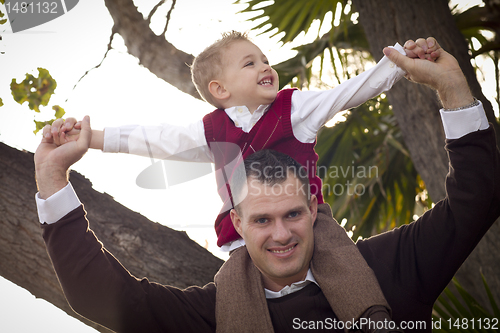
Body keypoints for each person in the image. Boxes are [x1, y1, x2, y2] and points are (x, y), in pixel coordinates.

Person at [35, 37, 499, 332]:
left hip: (336, 249)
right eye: (261, 219)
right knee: (241, 273)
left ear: (311, 209)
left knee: (343, 265)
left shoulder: (387, 269)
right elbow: (158, 140)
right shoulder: (216, 314)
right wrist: (81, 149)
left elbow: (349, 91)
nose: (279, 233)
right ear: (237, 219)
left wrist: (407, 67)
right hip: (239, 266)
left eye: (292, 213)